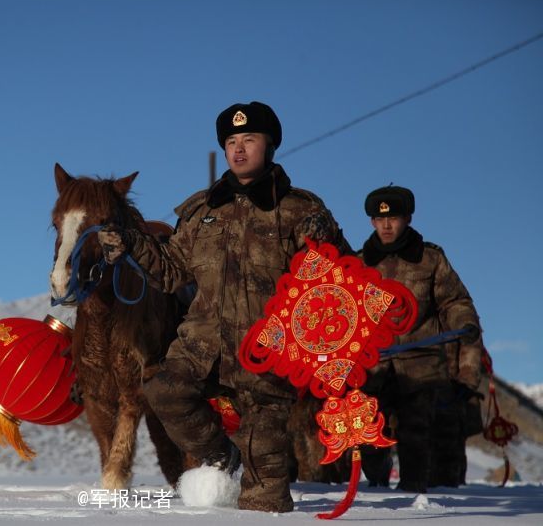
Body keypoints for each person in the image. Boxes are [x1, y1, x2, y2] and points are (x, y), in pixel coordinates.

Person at [97, 101, 349, 512]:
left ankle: (256, 481)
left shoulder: (302, 210)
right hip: (202, 344)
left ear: (269, 146)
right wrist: (132, 243)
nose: (238, 149)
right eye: (231, 141)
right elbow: (171, 271)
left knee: (264, 498)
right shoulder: (202, 209)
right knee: (163, 391)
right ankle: (220, 456)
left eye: (249, 139)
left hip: (266, 352)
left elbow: (336, 283)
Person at [357, 185, 485, 493]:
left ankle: (414, 499)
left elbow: (455, 302)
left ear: (408, 218)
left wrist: (464, 325)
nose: (386, 225)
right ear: (372, 222)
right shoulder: (357, 264)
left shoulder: (430, 260)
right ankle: (377, 479)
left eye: (394, 218)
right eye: (379, 218)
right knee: (368, 436)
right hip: (373, 366)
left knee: (417, 435)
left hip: (422, 366)